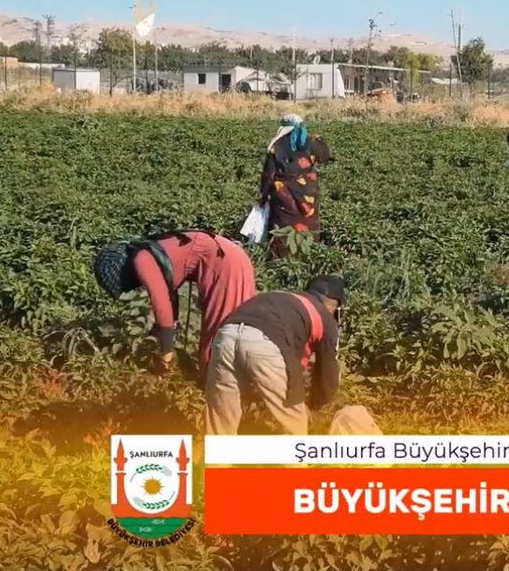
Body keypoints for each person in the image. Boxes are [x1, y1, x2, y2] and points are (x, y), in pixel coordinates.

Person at [92, 230, 257, 378]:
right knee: (240, 333)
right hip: (233, 256)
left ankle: (213, 391)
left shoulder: (142, 259)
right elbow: (170, 300)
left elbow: (161, 305)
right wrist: (167, 336)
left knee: (219, 338)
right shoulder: (152, 249)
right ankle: (245, 386)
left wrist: (166, 356)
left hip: (224, 265)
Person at [205, 275, 345, 435]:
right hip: (266, 340)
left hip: (225, 335)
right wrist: (317, 404)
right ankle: (295, 460)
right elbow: (328, 373)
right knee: (293, 419)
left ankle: (215, 460)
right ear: (334, 305)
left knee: (222, 415)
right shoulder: (325, 317)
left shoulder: (285, 299)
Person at [260, 114, 332, 259]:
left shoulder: (276, 146)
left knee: (284, 228)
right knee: (308, 225)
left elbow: (269, 176)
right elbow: (325, 156)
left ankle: (282, 260)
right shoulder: (311, 143)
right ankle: (307, 255)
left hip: (284, 197)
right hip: (308, 194)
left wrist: (262, 196)